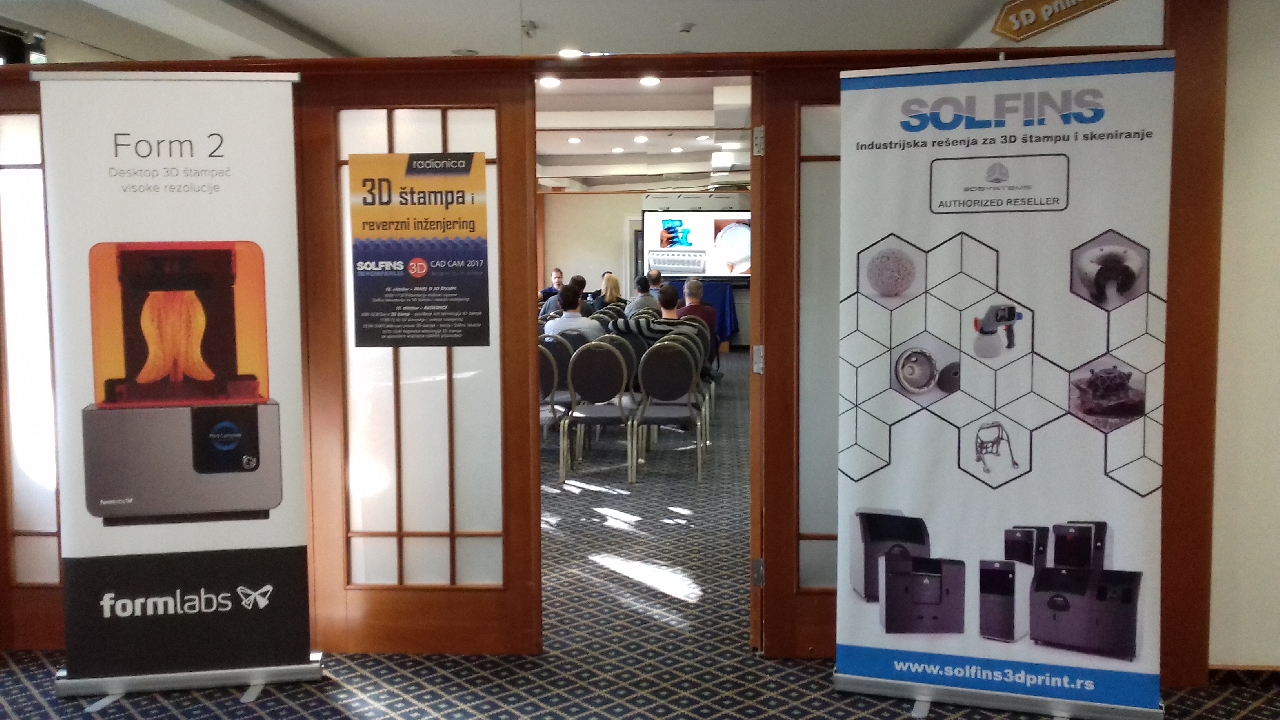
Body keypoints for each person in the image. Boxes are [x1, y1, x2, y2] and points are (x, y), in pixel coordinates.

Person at [609, 285, 699, 345]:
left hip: (654, 367)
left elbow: (613, 324)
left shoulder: (648, 326)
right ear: (678, 303)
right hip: (684, 368)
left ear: (659, 304)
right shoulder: (692, 328)